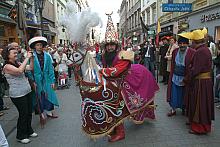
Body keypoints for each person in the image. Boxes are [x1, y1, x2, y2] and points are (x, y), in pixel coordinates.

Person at [100, 39, 159, 142]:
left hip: (126, 80)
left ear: (116, 45)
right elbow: (107, 68)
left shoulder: (123, 54)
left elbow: (117, 70)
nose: (110, 47)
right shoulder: (104, 56)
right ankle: (113, 128)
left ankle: (120, 132)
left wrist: (101, 70)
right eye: (108, 45)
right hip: (112, 81)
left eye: (112, 45)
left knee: (117, 105)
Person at [2, 45, 37, 144]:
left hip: (26, 91)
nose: (16, 54)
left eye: (16, 52)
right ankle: (20, 135)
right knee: (23, 114)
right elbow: (19, 71)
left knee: (29, 112)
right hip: (17, 94)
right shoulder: (7, 66)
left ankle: (29, 130)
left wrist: (32, 59)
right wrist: (27, 57)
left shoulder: (18, 62)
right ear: (7, 55)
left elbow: (30, 68)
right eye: (14, 53)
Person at [184, 28, 214, 134]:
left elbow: (195, 69)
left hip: (201, 83)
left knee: (199, 105)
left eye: (192, 41)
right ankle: (200, 125)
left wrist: (187, 79)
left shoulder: (200, 52)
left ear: (195, 41)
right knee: (203, 104)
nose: (191, 43)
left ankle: (199, 128)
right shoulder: (204, 49)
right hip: (204, 82)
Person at [28, 36, 59, 121]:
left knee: (49, 94)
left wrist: (53, 81)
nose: (39, 46)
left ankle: (49, 111)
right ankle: (41, 113)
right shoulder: (31, 56)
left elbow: (50, 69)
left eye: (41, 45)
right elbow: (29, 70)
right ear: (34, 46)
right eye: (37, 45)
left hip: (47, 79)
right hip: (36, 79)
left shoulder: (47, 56)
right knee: (39, 96)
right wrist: (32, 81)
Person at [166, 33, 195, 117]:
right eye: (180, 43)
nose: (182, 45)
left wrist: (188, 77)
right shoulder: (175, 51)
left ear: (187, 43)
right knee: (174, 93)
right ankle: (173, 109)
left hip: (186, 77)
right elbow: (173, 64)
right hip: (175, 76)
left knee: (184, 94)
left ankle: (184, 108)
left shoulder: (192, 52)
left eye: (184, 43)